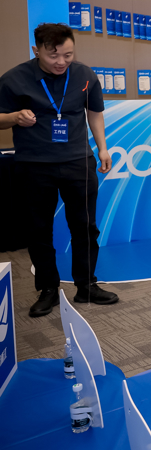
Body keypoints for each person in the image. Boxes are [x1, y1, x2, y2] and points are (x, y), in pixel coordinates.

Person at [0, 23, 118, 317]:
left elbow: (94, 113)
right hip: (34, 166)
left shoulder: (85, 75)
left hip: (78, 162)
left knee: (85, 226)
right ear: (36, 50)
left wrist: (102, 148)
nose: (61, 62)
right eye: (53, 56)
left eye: (68, 55)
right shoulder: (14, 79)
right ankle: (48, 289)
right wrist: (14, 117)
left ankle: (87, 285)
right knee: (39, 229)